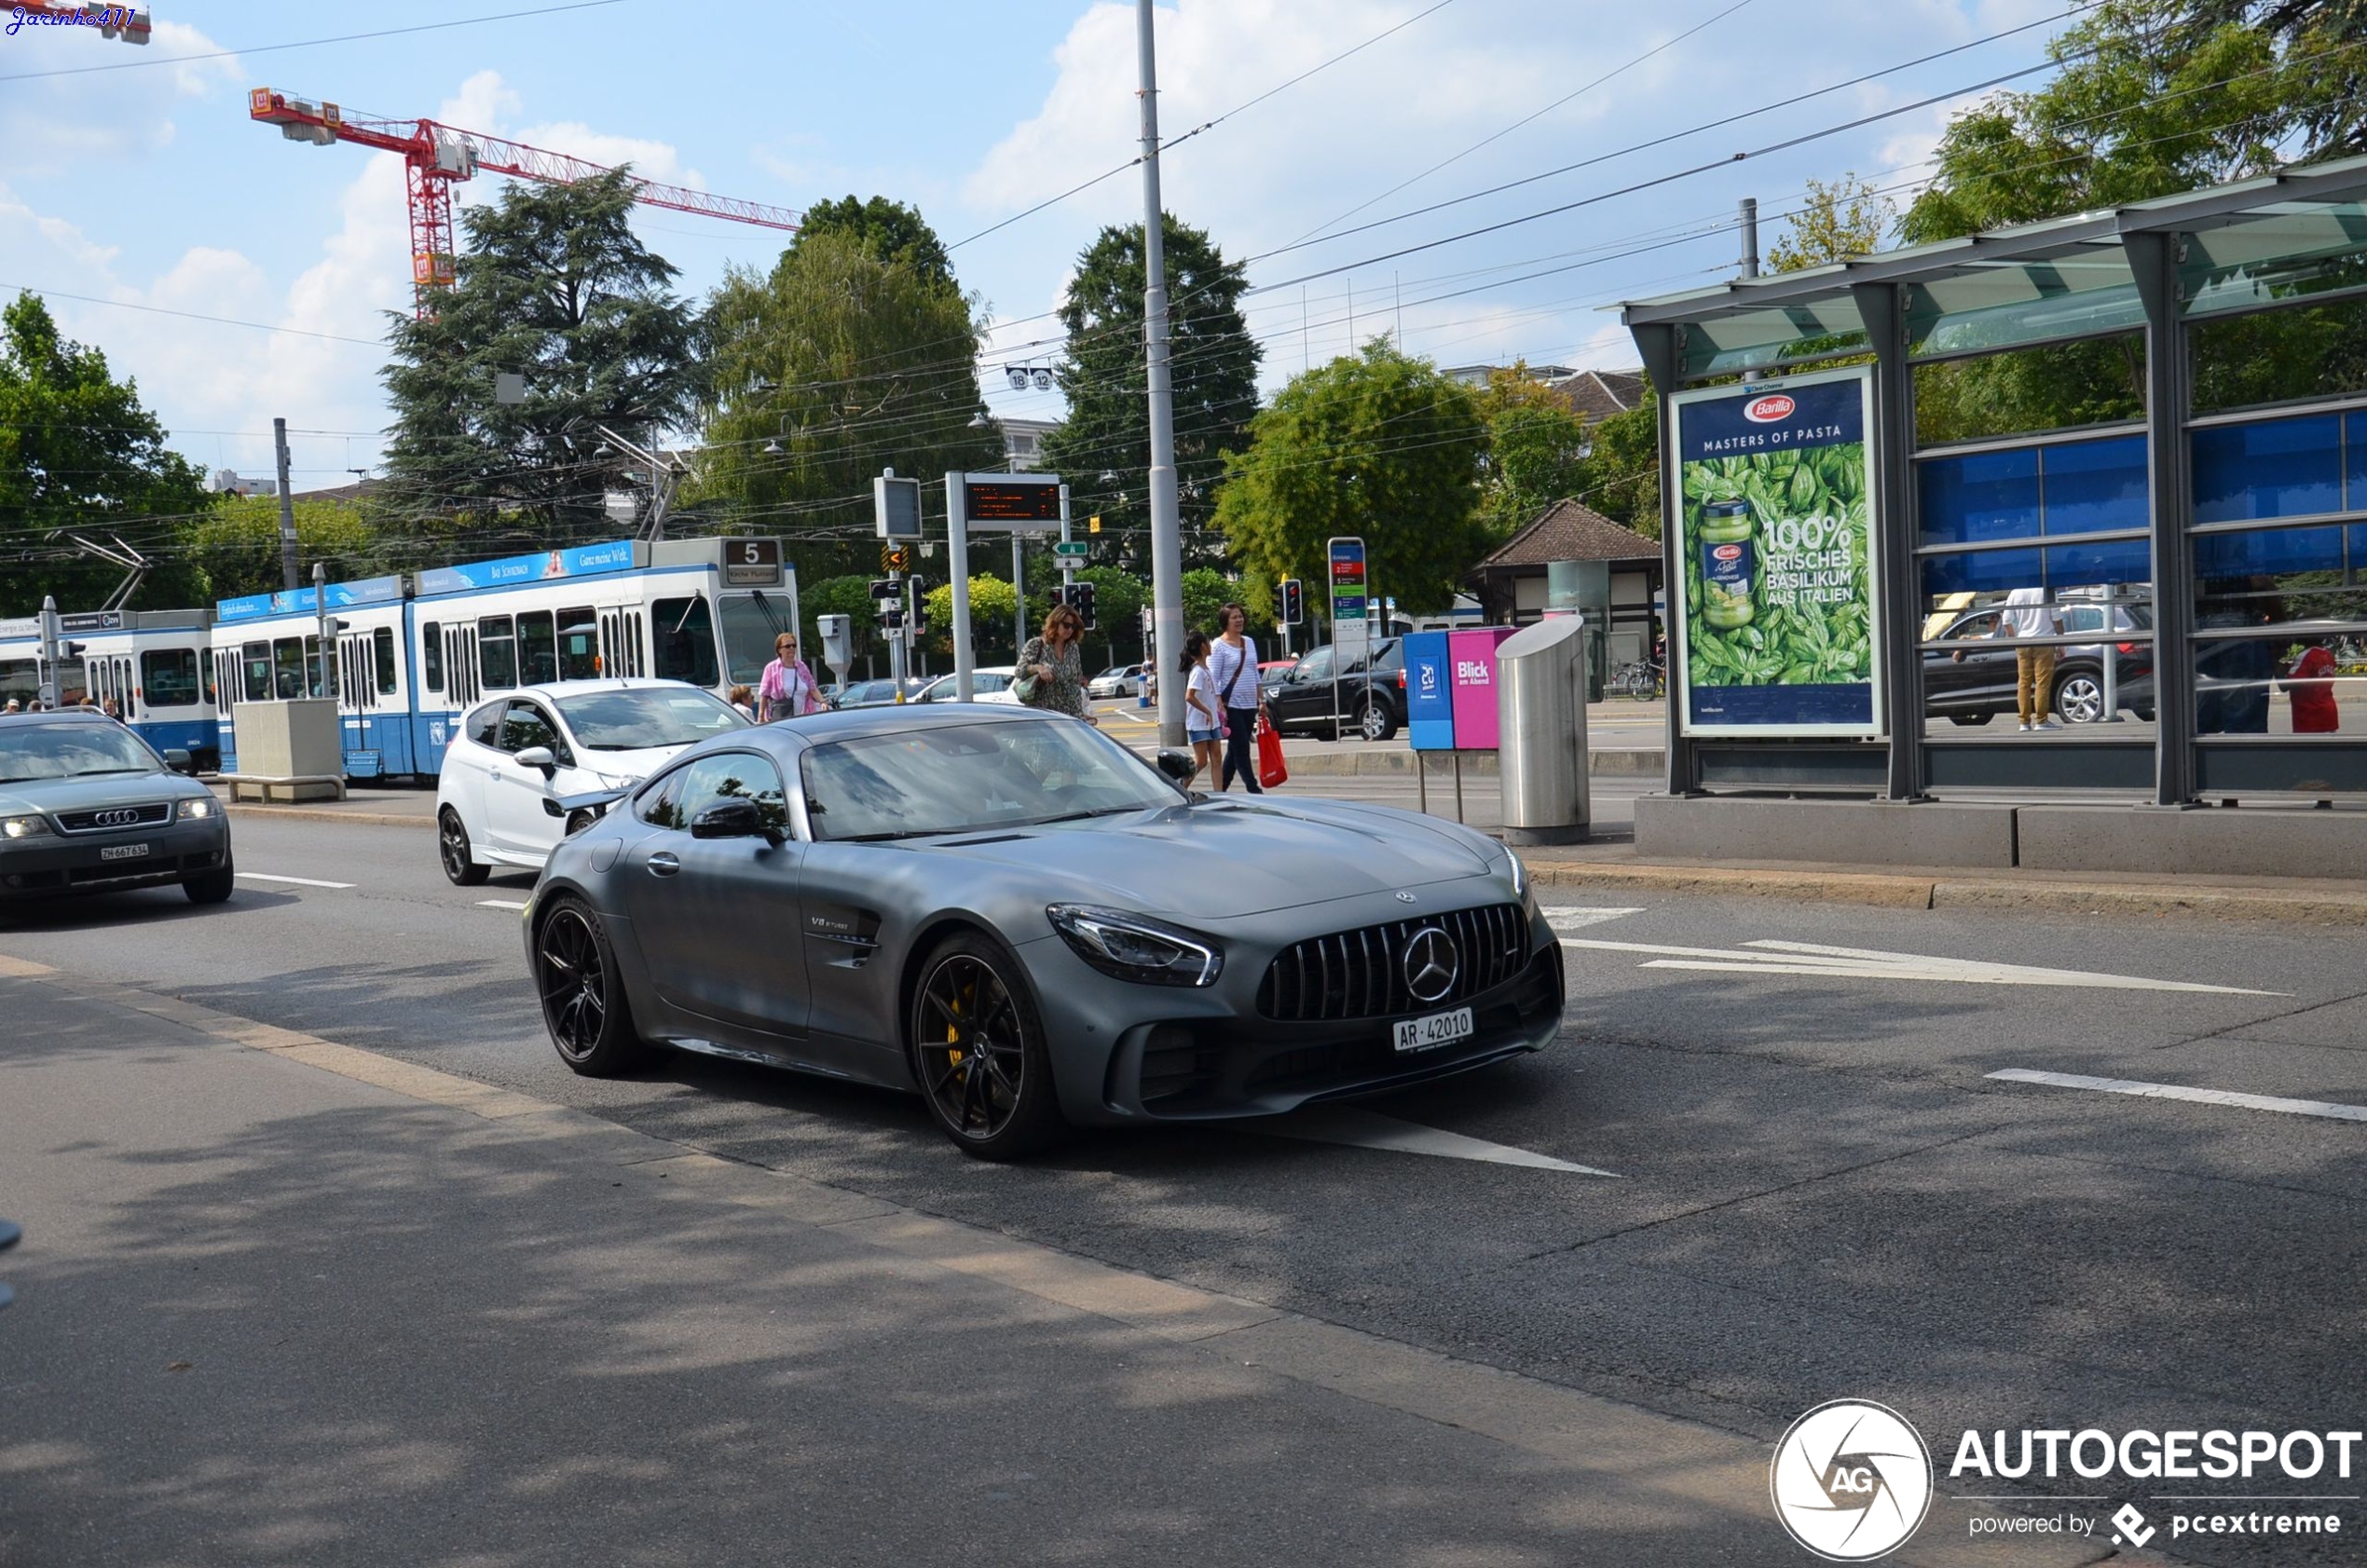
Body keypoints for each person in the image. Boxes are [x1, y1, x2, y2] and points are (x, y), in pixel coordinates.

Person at [1209, 602, 1267, 792]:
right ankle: (1253, 788)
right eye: (1234, 617)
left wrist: (1261, 700)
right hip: (1230, 705)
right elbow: (1213, 677)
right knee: (1242, 746)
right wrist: (1219, 704)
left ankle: (1221, 788)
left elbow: (1254, 672)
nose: (1239, 620)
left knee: (1235, 750)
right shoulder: (1217, 646)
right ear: (1225, 621)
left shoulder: (1248, 642)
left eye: (1240, 616)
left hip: (1249, 704)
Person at [1993, 585, 2063, 731]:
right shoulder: (2048, 591)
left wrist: (2015, 641)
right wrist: (2061, 642)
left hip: (2023, 642)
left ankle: (2024, 722)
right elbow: (2057, 619)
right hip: (2044, 642)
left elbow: (2007, 621)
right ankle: (2041, 721)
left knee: (2024, 683)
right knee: (2042, 683)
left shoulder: (2015, 592)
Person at [1017, 604, 1090, 720]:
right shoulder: (1036, 644)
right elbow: (1019, 671)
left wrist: (1079, 715)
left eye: (1073, 626)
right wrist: (1038, 668)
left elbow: (1075, 685)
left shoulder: (1073, 648)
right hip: (1043, 715)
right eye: (1066, 625)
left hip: (1068, 715)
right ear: (1055, 623)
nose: (1070, 630)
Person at [1181, 632, 1220, 787]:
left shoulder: (1206, 669)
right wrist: (1207, 711)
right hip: (1198, 722)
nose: (1210, 646)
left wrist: (1217, 708)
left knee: (1217, 757)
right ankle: (1180, 787)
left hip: (1212, 721)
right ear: (1203, 646)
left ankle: (1220, 794)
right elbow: (1189, 696)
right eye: (1208, 643)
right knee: (1201, 761)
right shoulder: (1197, 672)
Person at [757, 633, 821, 723]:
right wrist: (761, 718)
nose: (791, 648)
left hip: (803, 717)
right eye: (787, 646)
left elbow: (812, 687)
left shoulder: (801, 666)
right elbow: (764, 695)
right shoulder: (771, 668)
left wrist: (822, 702)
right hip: (782, 718)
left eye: (793, 645)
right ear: (779, 650)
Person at [2283, 640, 2339, 733]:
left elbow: (2286, 685)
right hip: (2329, 713)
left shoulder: (2305, 656)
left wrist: (2276, 667)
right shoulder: (2327, 654)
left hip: (2309, 716)